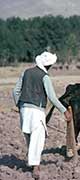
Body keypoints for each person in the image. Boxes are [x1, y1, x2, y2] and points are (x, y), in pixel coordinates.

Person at [12, 51, 71, 179]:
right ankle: (35, 166)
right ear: (49, 66)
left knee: (28, 136)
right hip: (36, 111)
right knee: (37, 139)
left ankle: (31, 161)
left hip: (24, 109)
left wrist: (19, 105)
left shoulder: (26, 72)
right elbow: (52, 97)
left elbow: (15, 91)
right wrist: (64, 110)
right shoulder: (45, 77)